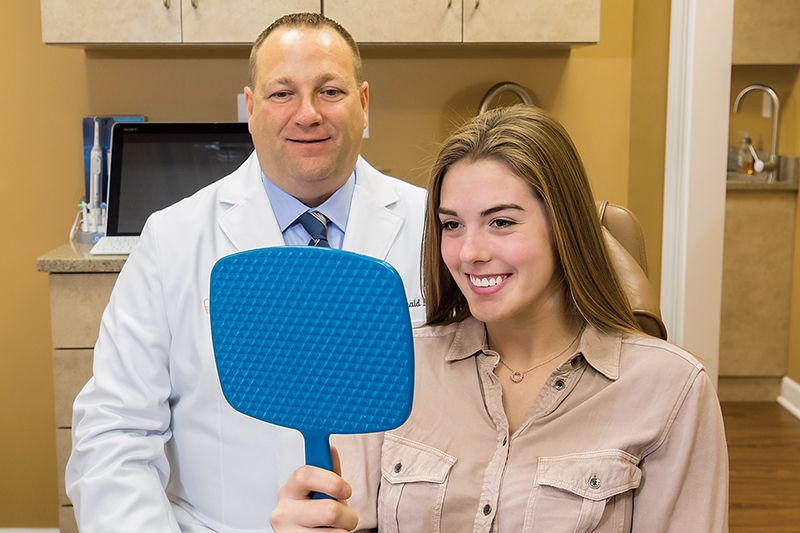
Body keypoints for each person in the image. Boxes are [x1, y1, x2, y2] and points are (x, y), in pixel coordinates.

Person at [271, 105, 729, 532]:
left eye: (502, 222)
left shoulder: (672, 389)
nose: (470, 253)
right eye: (452, 224)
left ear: (563, 227)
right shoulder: (392, 365)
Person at [66, 12, 427, 533]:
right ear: (251, 109)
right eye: (282, 94)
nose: (308, 114)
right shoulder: (174, 240)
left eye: (330, 91)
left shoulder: (438, 230)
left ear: (364, 105)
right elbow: (113, 435)